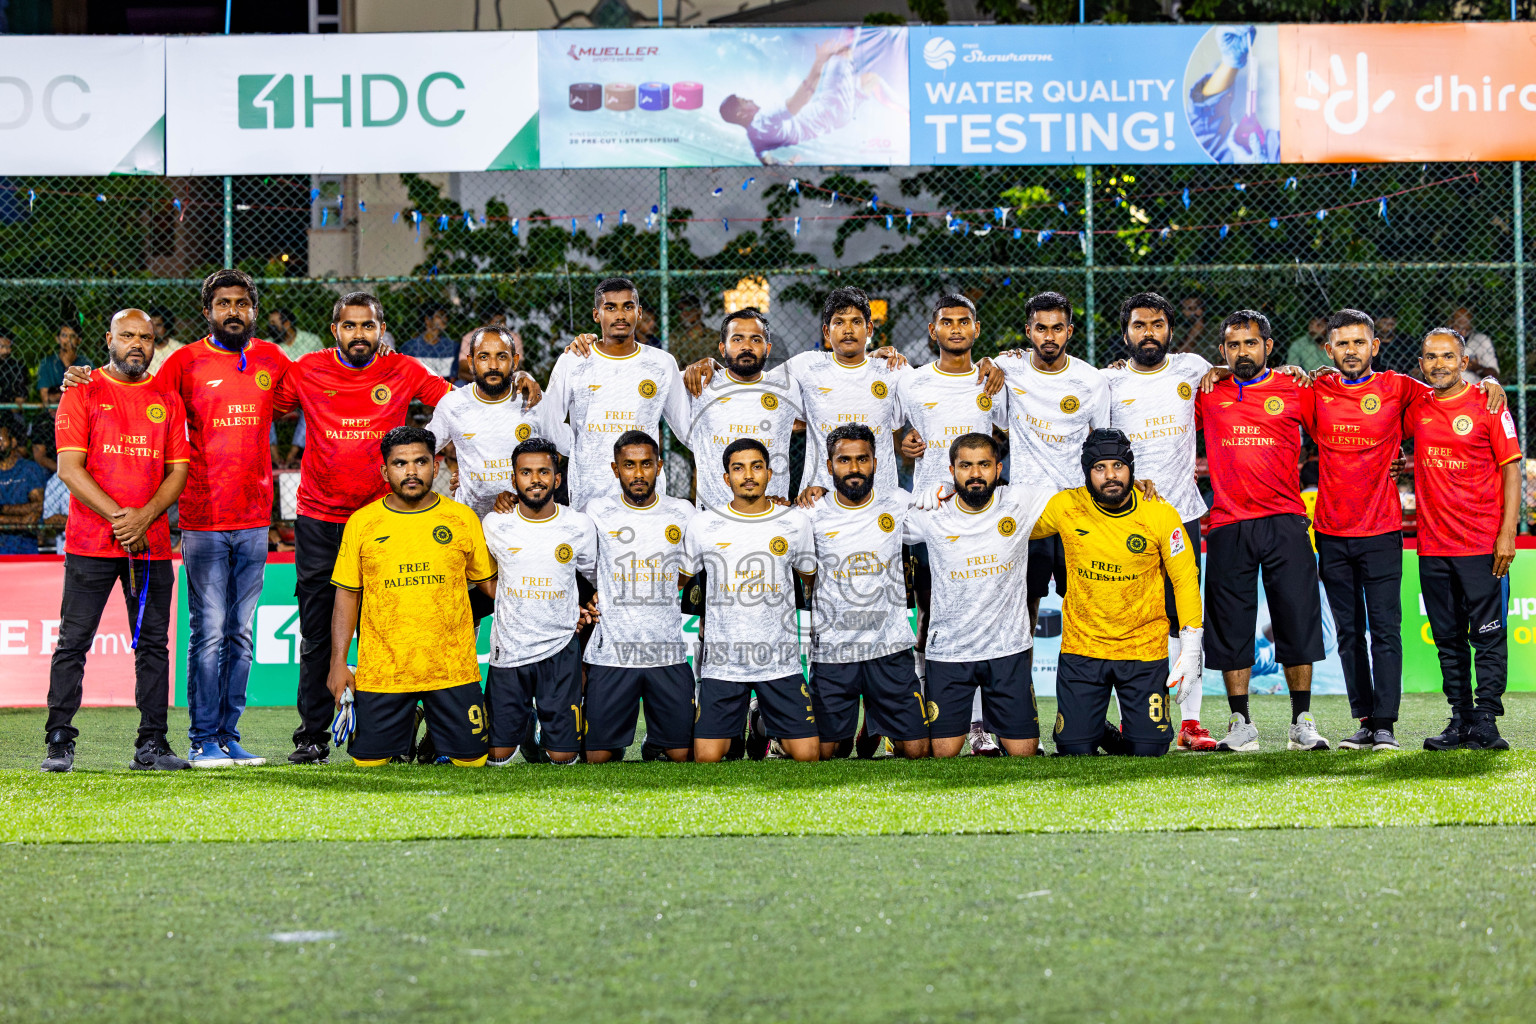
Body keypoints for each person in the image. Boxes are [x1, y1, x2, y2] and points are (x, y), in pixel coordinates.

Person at [59, 269, 292, 766]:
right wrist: (77, 377)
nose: (234, 311)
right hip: (201, 519)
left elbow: (309, 393)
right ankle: (201, 738)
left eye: (243, 303)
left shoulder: (273, 358)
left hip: (254, 519)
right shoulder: (181, 362)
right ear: (208, 310)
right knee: (208, 633)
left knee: (242, 635)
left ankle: (228, 735)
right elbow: (133, 388)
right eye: (224, 303)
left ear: (253, 309)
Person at [273, 294, 460, 764]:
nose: (360, 334)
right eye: (350, 326)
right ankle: (312, 735)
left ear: (382, 329)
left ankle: (399, 730)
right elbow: (258, 405)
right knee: (317, 633)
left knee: (395, 626)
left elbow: (460, 407)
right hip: (321, 520)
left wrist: (457, 456)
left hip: (388, 519)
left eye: (368, 326)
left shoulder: (405, 369)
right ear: (334, 328)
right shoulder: (306, 369)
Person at [1310, 309, 1507, 752]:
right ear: (1329, 350)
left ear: (1375, 347)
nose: (1351, 351)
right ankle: (1364, 719)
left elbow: (1453, 389)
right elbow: (1275, 387)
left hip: (1382, 528)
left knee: (1386, 629)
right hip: (1331, 530)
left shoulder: (1401, 387)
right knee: (1347, 633)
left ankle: (1386, 725)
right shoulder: (1316, 388)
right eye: (1342, 344)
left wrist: (1489, 386)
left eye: (1360, 342)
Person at [40, 309, 190, 773]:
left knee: (153, 645)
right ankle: (59, 740)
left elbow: (178, 471)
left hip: (150, 544)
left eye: (145, 337)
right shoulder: (81, 389)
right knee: (73, 642)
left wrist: (144, 518)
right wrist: (122, 517)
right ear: (110, 339)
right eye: (127, 335)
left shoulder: (168, 395)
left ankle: (152, 745)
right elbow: (68, 469)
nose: (137, 344)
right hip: (90, 542)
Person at [1195, 310, 1327, 753]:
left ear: (1269, 346)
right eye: (1233, 346)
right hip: (1229, 522)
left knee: (1296, 618)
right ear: (1222, 351)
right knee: (1232, 626)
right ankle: (1240, 722)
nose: (1242, 352)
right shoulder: (1208, 392)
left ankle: (1301, 721)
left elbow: (1338, 422)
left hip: (1285, 519)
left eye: (1250, 343)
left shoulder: (1296, 388)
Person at [327, 426, 496, 767]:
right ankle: (410, 721)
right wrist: (338, 663)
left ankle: (434, 727)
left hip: (452, 669)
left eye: (420, 462)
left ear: (435, 467)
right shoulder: (362, 523)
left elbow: (493, 590)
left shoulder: (461, 519)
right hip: (384, 669)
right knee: (370, 765)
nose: (411, 471)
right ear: (384, 470)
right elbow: (347, 596)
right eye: (400, 464)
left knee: (472, 763)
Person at [1034, 429, 1203, 757]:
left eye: (1118, 466)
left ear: (1131, 468)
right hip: (1083, 649)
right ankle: (1094, 726)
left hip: (1143, 650)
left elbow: (1185, 579)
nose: (1110, 475)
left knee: (1150, 749)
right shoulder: (1065, 506)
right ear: (1086, 472)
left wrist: (1192, 646)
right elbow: (1008, 520)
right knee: (1073, 749)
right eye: (1099, 468)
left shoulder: (1159, 512)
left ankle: (1108, 725)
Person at [893, 294, 1009, 754]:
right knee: (929, 614)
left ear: (976, 330)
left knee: (979, 613)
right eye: (947, 322)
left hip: (982, 513)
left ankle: (980, 724)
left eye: (964, 322)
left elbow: (1010, 426)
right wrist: (905, 443)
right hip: (930, 517)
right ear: (932, 329)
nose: (956, 329)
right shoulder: (911, 381)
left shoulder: (993, 380)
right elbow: (892, 429)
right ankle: (921, 713)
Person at [1104, 292, 1218, 750]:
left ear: (1170, 329)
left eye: (1156, 324)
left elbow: (1237, 375)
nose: (1148, 333)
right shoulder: (1107, 382)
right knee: (1129, 621)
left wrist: (1292, 371)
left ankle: (1190, 723)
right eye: (1138, 325)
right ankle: (1137, 719)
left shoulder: (1193, 368)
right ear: (1125, 332)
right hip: (1125, 520)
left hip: (1181, 516)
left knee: (1185, 622)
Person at [1408, 328, 1522, 751]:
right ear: (1421, 365)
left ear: (1464, 362)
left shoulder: (1488, 404)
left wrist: (1507, 532)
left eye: (1447, 356)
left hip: (1481, 544)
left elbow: (1511, 469)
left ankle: (1487, 721)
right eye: (1430, 357)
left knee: (1488, 635)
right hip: (1434, 546)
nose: (1439, 363)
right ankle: (1460, 719)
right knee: (1449, 639)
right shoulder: (1416, 405)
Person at [904, 433, 1048, 758]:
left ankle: (993, 726)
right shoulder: (932, 512)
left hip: (1007, 650)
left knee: (1024, 752)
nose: (975, 474)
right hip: (950, 653)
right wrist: (915, 498)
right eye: (965, 465)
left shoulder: (1020, 501)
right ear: (952, 470)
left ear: (998, 468)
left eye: (983, 464)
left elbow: (1076, 498)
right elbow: (873, 517)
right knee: (942, 752)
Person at [682, 437, 819, 763]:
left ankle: (760, 727)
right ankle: (749, 725)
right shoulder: (703, 524)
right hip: (723, 665)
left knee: (808, 756)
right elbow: (684, 579)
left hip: (780, 662)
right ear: (726, 477)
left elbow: (808, 575)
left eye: (756, 467)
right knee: (707, 759)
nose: (748, 475)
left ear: (769, 473)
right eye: (738, 468)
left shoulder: (794, 522)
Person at [995, 291, 1111, 651]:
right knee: (1021, 611)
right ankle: (1021, 699)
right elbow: (995, 419)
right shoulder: (1007, 369)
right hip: (1027, 509)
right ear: (1028, 331)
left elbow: (1102, 442)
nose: (1049, 336)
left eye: (1057, 328)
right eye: (1041, 328)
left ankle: (1082, 699)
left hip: (1077, 509)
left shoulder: (1090, 380)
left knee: (1085, 608)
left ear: (1070, 331)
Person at [805, 423, 929, 759]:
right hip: (834, 651)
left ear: (875, 462)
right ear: (829, 466)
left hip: (888, 647)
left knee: (917, 751)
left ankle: (877, 723)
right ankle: (864, 728)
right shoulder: (811, 513)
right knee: (827, 754)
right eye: (844, 460)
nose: (855, 468)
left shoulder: (897, 501)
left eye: (863, 459)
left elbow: (938, 520)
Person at [580, 430, 698, 763]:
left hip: (667, 651)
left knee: (683, 755)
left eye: (646, 464)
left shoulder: (682, 512)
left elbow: (690, 570)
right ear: (616, 469)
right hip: (612, 653)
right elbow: (583, 565)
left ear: (659, 466)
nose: (638, 473)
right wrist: (592, 593)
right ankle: (616, 741)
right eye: (629, 465)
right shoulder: (596, 511)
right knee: (598, 758)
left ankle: (656, 744)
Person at [480, 437, 598, 766]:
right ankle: (525, 723)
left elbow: (594, 577)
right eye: (526, 472)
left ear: (557, 479)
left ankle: (543, 731)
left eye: (544, 472)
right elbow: (483, 577)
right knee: (498, 757)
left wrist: (585, 604)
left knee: (562, 757)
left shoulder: (578, 524)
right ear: (514, 478)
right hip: (510, 649)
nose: (535, 480)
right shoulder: (494, 525)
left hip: (559, 647)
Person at [546, 278, 691, 511]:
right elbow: (550, 421)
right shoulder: (573, 361)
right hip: (589, 490)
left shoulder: (662, 364)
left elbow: (687, 428)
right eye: (610, 307)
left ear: (639, 312)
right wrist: (577, 449)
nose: (620, 315)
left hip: (645, 491)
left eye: (628, 306)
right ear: (597, 315)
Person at [682, 308, 804, 511]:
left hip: (773, 512)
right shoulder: (700, 383)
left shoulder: (786, 388)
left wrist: (873, 360)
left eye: (756, 340)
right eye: (737, 339)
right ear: (722, 348)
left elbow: (823, 417)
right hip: (714, 516)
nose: (747, 346)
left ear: (768, 348)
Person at [719, 34, 903, 165]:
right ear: (741, 113)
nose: (750, 99)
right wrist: (819, 62)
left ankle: (905, 112)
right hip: (831, 107)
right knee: (843, 51)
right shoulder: (764, 119)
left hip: (837, 119)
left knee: (871, 79)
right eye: (745, 101)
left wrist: (789, 163)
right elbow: (802, 99)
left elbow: (767, 162)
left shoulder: (754, 138)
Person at [0, 417, 46, 554]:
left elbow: (37, 507)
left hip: (24, 546)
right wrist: (21, 520)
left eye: (1, 439)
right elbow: (28, 516)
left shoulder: (29, 469)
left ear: (13, 442)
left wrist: (2, 509)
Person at [457, 307, 521, 382]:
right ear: (486, 323)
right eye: (498, 322)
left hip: (505, 381)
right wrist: (485, 383)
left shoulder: (513, 338)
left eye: (504, 321)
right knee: (459, 384)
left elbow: (517, 368)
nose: (503, 325)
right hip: (475, 381)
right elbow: (462, 371)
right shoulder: (470, 338)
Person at [399, 302, 458, 380]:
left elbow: (453, 379)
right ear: (427, 319)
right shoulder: (410, 347)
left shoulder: (452, 346)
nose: (445, 319)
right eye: (440, 316)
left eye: (446, 316)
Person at [36, 321, 88, 405]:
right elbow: (46, 398)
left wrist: (56, 396)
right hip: (53, 413)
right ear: (57, 339)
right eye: (64, 335)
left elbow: (89, 396)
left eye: (72, 336)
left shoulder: (85, 364)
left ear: (79, 340)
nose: (68, 340)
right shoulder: (47, 363)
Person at [1449, 307, 1499, 382]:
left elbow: (1494, 375)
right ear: (1451, 324)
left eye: (1466, 329)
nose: (1463, 332)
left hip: (1474, 389)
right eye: (1459, 327)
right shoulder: (1441, 342)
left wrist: (1476, 368)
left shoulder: (1482, 340)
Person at [147, 309, 184, 374]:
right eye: (151, 325)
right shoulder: (142, 349)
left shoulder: (180, 350)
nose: (153, 329)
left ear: (167, 327)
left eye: (158, 325)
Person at [0, 330, 31, 403]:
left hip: (9, 410)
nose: (5, 351)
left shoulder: (17, 367)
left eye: (8, 346)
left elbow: (21, 396)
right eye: (1, 346)